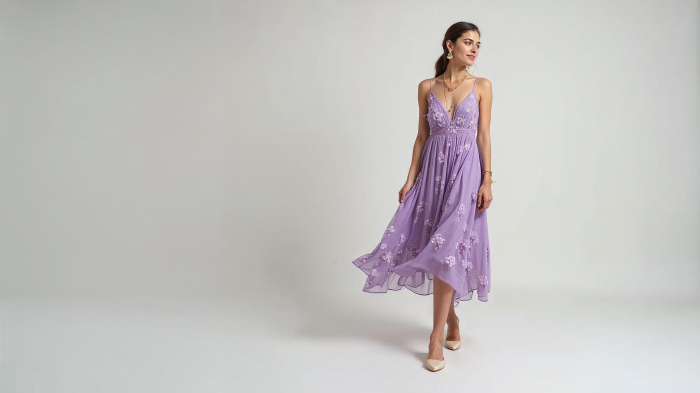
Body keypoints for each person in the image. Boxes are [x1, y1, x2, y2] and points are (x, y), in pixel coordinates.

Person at [351, 21, 494, 372]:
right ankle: (453, 320)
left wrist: (488, 180)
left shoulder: (483, 86)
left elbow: (484, 137)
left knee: (446, 250)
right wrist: (410, 179)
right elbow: (421, 137)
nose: (474, 49)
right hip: (432, 175)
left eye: (478, 44)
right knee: (432, 246)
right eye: (467, 42)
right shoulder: (426, 87)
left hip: (465, 174)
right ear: (450, 45)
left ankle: (434, 338)